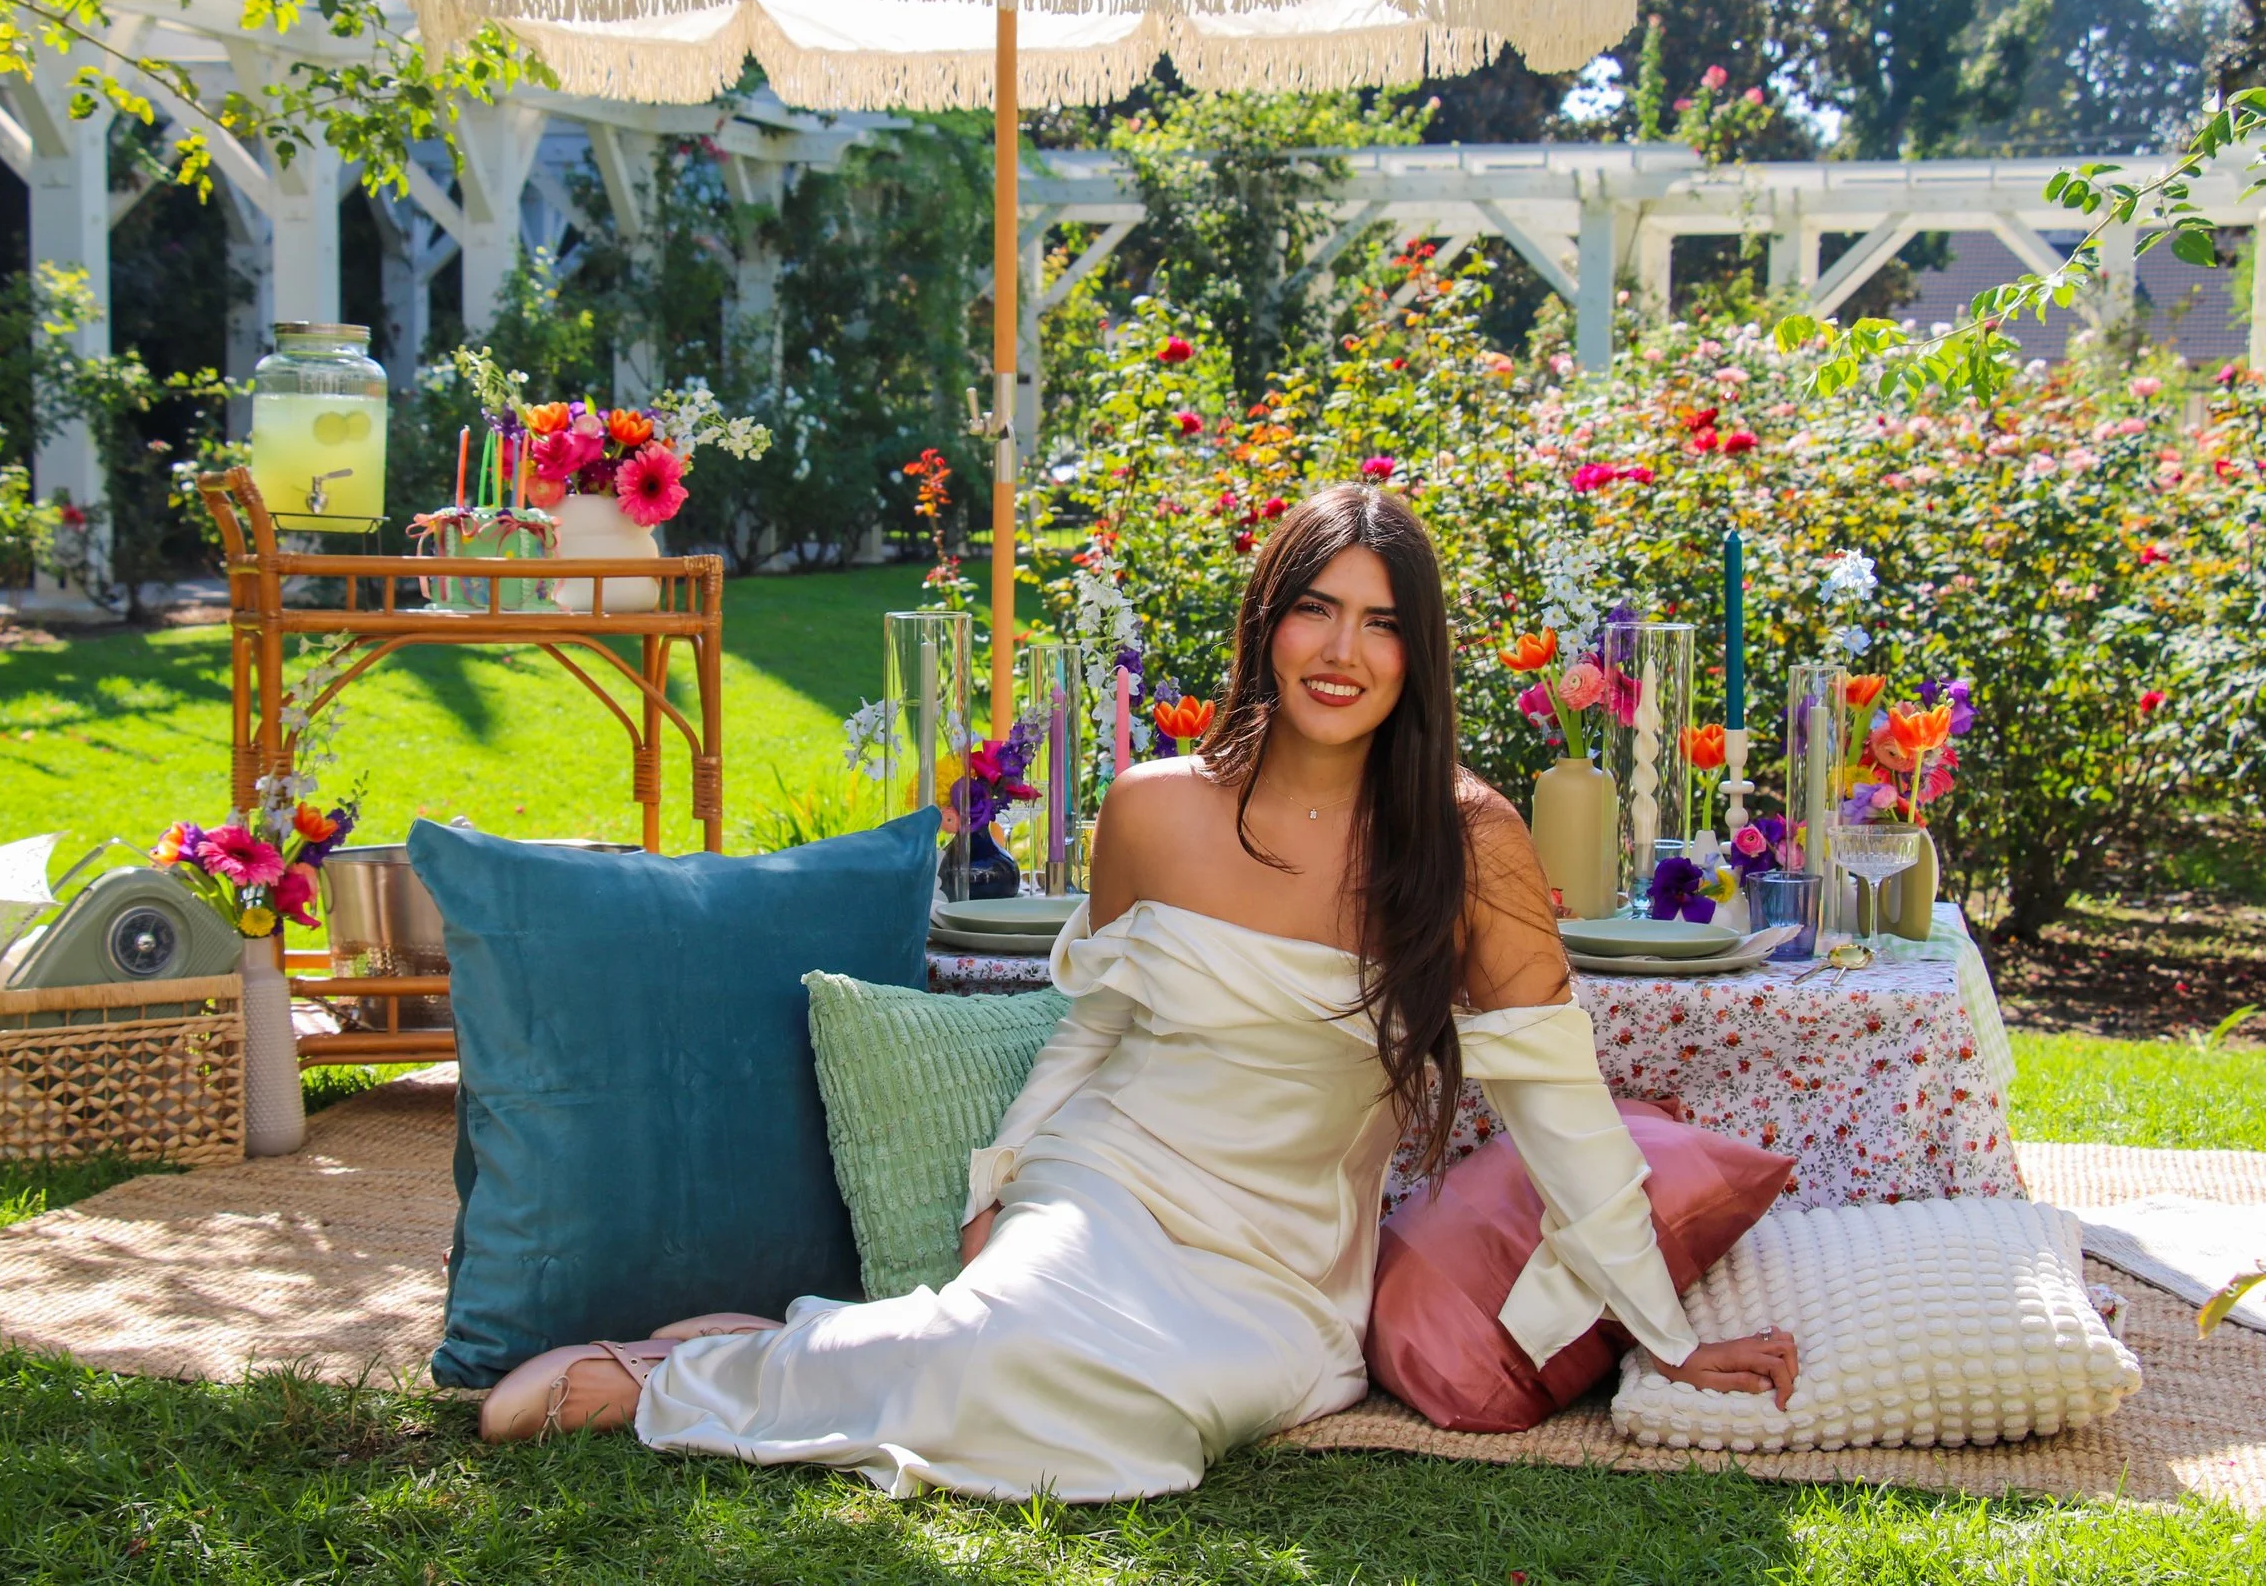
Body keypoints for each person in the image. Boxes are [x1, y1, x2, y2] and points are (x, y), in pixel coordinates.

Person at [479, 483, 1798, 1498]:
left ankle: (800, 1349)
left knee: (1146, 1425)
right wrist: (1005, 1179)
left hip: (1283, 1267)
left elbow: (1563, 1106)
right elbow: (1095, 1023)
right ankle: (679, 1373)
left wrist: (1662, 1332)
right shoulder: (1156, 810)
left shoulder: (1472, 842)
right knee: (997, 1348)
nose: (1343, 648)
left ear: (1420, 655)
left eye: (1383, 621)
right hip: (1108, 1185)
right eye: (1316, 608)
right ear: (1268, 624)